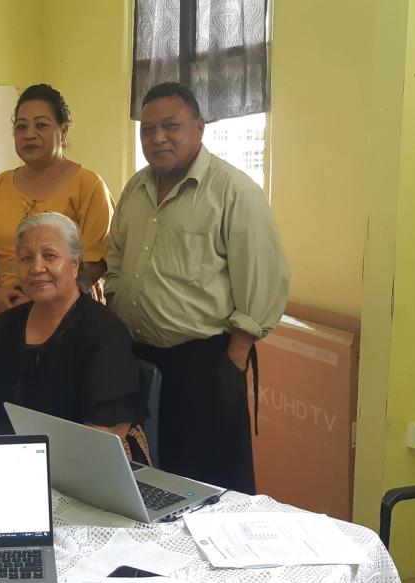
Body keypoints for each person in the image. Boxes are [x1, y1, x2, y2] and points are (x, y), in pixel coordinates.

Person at [104, 82, 289, 494]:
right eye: (148, 129)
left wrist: (233, 359)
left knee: (210, 486)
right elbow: (115, 258)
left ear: (200, 126)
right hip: (138, 359)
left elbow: (264, 282)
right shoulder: (136, 187)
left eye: (171, 126)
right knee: (148, 479)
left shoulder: (233, 192)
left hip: (205, 363)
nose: (158, 138)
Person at [0, 212, 149, 462]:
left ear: (74, 264)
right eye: (27, 258)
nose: (37, 268)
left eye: (49, 256)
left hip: (83, 465)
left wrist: (34, 468)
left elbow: (105, 433)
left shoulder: (103, 332)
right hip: (6, 460)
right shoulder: (4, 326)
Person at [0, 84, 113, 322]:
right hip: (4, 311)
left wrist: (38, 297)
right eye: (21, 127)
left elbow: (95, 261)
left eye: (41, 125)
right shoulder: (1, 184)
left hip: (66, 315)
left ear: (64, 131)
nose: (29, 134)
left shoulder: (88, 184)